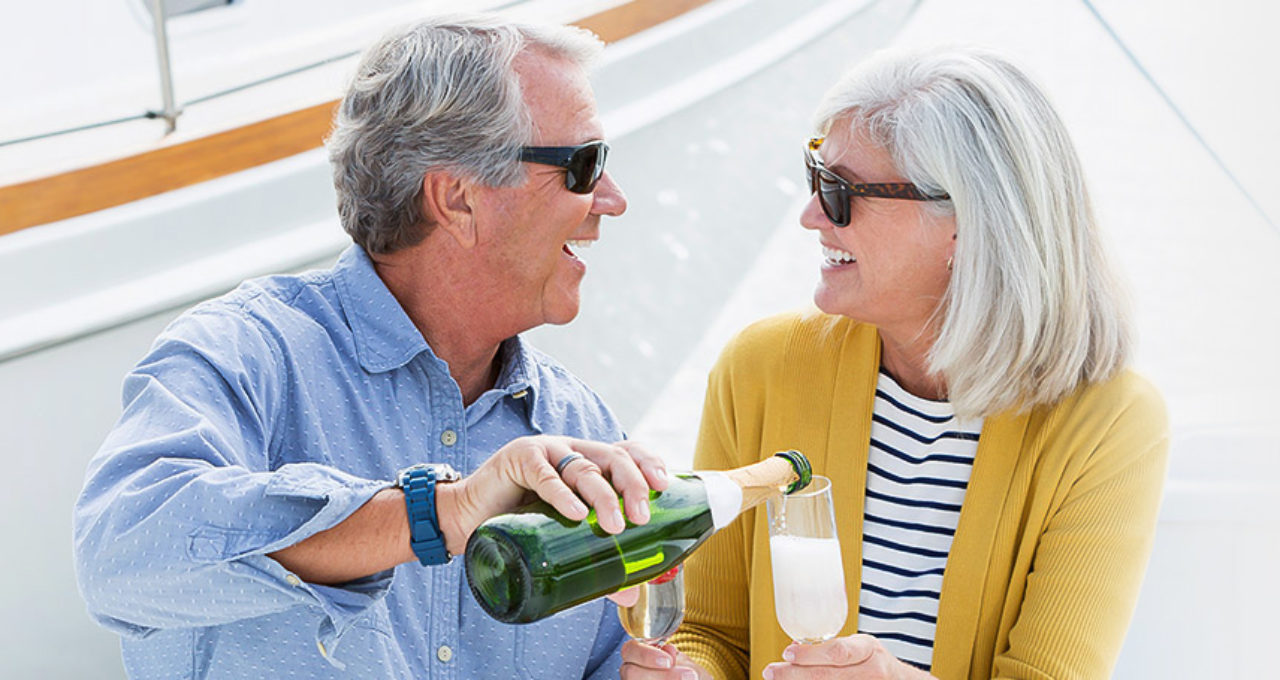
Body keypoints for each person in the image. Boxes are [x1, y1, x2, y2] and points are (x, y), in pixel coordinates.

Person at [73, 14, 667, 679]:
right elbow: (119, 551)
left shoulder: (581, 427)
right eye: (585, 167)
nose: (611, 200)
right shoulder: (245, 354)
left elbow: (612, 657)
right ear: (457, 196)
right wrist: (441, 513)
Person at [620, 46, 1168, 680]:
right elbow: (712, 632)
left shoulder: (1109, 421)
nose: (809, 215)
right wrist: (689, 672)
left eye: (842, 191)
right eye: (815, 178)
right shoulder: (761, 367)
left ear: (965, 220)